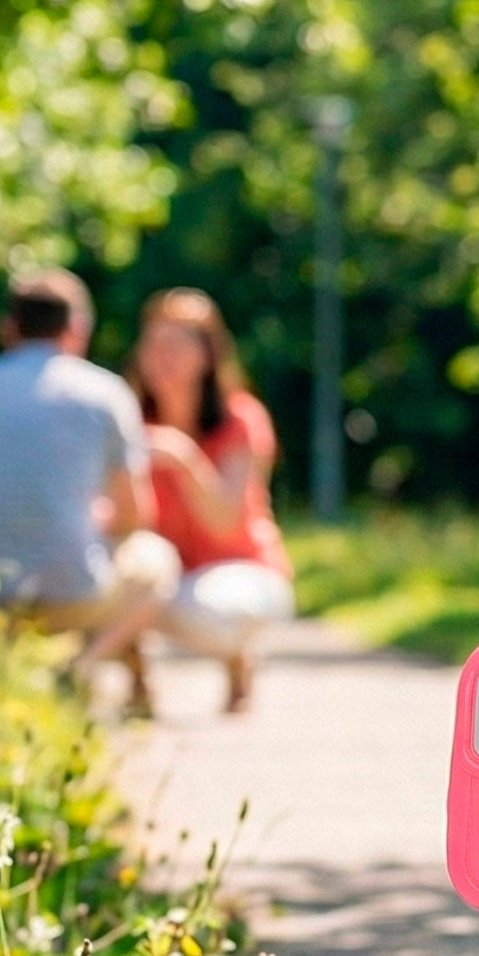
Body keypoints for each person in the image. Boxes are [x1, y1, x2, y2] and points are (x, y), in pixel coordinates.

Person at [0, 270, 180, 676]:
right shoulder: (107, 393)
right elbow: (136, 514)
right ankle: (79, 668)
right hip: (69, 599)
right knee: (157, 559)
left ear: (9, 327)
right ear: (77, 329)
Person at [122, 288, 293, 714]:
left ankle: (238, 655)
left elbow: (224, 522)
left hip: (241, 570)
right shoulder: (127, 421)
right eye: (152, 344)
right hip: (166, 572)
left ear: (207, 355)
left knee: (196, 608)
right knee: (110, 581)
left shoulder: (241, 419)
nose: (160, 357)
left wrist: (184, 459)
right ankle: (138, 682)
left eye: (175, 345)